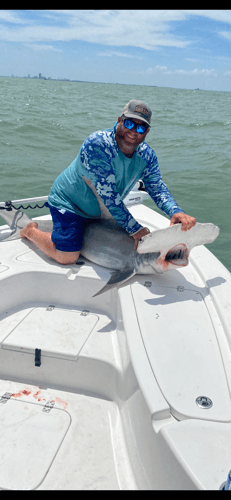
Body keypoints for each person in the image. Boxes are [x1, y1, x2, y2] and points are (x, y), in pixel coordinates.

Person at [20, 99, 196, 265]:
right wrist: (135, 228)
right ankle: (30, 231)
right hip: (69, 204)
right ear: (120, 120)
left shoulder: (147, 155)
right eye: (129, 123)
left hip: (101, 210)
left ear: (147, 132)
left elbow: (156, 187)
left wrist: (175, 211)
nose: (133, 132)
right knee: (68, 256)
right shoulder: (98, 145)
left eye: (141, 128)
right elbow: (109, 196)